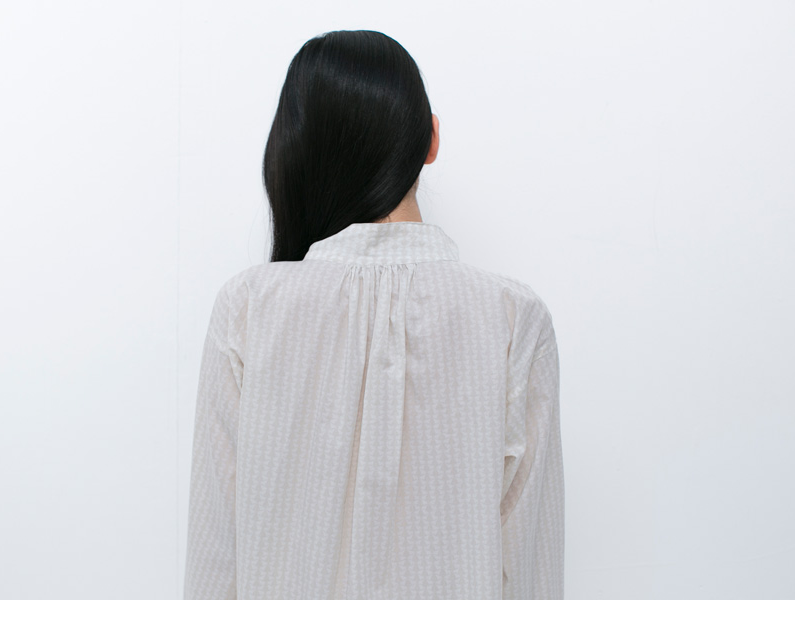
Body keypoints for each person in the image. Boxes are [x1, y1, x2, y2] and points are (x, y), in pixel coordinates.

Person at [184, 29, 563, 599]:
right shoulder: (514, 320)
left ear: (295, 152)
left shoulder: (247, 310)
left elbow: (214, 567)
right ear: (431, 140)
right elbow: (531, 577)